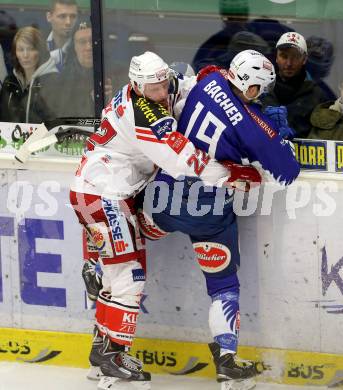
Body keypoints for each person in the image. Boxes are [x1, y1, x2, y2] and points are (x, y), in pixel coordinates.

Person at [69, 51, 260, 389]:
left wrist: (216, 79)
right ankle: (113, 355)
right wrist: (228, 174)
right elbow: (182, 159)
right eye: (152, 88)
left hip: (103, 192)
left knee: (118, 274)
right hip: (103, 195)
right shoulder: (143, 114)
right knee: (131, 274)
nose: (160, 93)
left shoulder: (158, 87)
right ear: (136, 86)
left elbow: (188, 90)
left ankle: (102, 348)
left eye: (162, 84)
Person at [141, 50, 300, 390]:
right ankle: (227, 361)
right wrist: (279, 134)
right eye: (262, 90)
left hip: (162, 197)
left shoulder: (209, 80)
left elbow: (203, 76)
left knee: (125, 237)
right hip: (207, 212)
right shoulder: (256, 127)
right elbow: (287, 174)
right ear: (254, 88)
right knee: (224, 287)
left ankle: (101, 276)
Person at [261, 31, 328, 139]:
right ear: (276, 57)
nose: (289, 63)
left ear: (304, 59)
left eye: (295, 57)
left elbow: (324, 136)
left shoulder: (317, 95)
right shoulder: (260, 89)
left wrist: (298, 136)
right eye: (283, 56)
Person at [0, 26, 59, 123]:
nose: (25, 55)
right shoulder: (9, 83)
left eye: (31, 49)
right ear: (15, 53)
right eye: (20, 49)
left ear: (40, 51)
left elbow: (56, 120)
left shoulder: (52, 81)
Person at [46, 0, 78, 71]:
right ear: (49, 17)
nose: (68, 22)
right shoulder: (37, 43)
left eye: (73, 16)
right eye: (62, 16)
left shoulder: (83, 47)